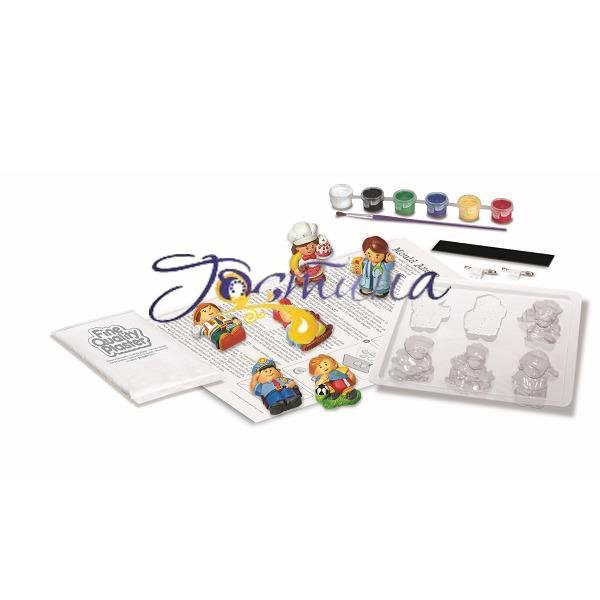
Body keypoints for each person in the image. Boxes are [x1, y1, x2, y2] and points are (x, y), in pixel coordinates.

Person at [287, 222, 332, 286]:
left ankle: (316, 278)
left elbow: (323, 255)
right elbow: (293, 262)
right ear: (297, 248)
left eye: (312, 246)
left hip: (316, 269)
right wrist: (296, 269)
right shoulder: (298, 255)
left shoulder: (316, 251)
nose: (310, 249)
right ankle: (302, 280)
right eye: (306, 248)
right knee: (303, 277)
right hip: (304, 271)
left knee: (318, 275)